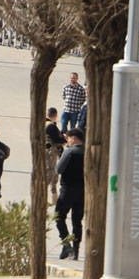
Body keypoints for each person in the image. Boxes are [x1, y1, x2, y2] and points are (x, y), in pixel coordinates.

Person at [55, 128, 85, 260]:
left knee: (58, 216)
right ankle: (76, 250)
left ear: (73, 138)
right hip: (82, 190)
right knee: (77, 221)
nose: (67, 141)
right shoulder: (87, 151)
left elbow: (58, 169)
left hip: (68, 189)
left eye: (68, 138)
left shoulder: (70, 151)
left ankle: (66, 244)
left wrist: (62, 155)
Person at [44, 107, 64, 202]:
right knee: (52, 171)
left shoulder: (44, 123)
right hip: (51, 151)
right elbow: (57, 139)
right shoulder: (51, 126)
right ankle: (51, 194)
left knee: (51, 171)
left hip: (46, 150)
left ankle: (54, 196)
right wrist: (65, 139)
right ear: (55, 116)